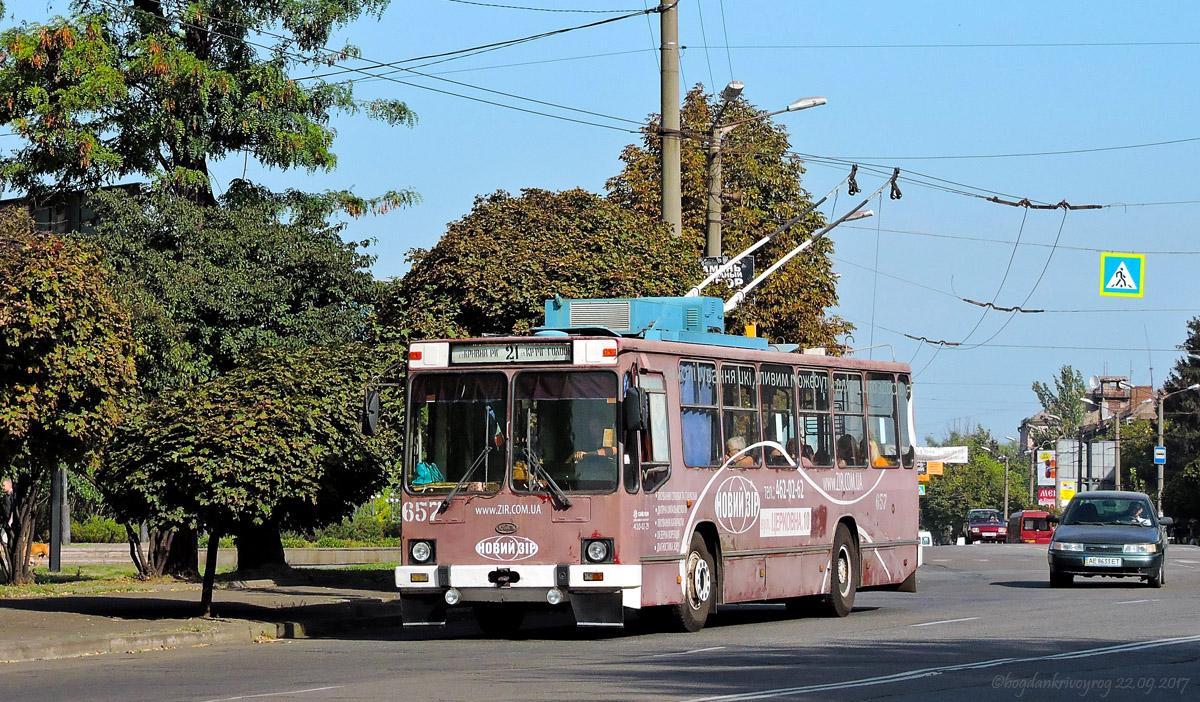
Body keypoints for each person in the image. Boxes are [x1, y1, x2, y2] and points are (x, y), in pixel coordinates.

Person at [1, 478, 13, 546]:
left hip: (11, 520)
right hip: (6, 519)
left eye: (4, 485)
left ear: (9, 485)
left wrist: (10, 520)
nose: (3, 487)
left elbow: (13, 509)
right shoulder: (7, 495)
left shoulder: (12, 495)